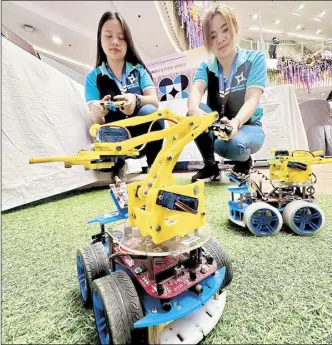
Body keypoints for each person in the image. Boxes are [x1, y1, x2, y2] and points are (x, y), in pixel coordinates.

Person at [188, 4, 266, 182]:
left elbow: (252, 99)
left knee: (233, 146)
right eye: (212, 36)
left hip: (248, 126)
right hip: (217, 126)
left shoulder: (255, 59)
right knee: (193, 112)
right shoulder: (206, 67)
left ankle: (243, 162)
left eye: (225, 30)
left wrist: (236, 123)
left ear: (235, 28)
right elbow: (196, 90)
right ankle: (210, 167)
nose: (220, 39)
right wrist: (193, 110)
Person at [84, 11, 163, 176]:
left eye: (121, 37)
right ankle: (118, 163)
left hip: (143, 135)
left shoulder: (139, 70)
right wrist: (98, 112)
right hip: (115, 136)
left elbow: (154, 101)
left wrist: (136, 99)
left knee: (150, 112)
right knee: (105, 167)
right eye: (108, 36)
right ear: (100, 38)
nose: (115, 41)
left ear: (128, 42)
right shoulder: (93, 77)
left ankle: (154, 166)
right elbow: (95, 121)